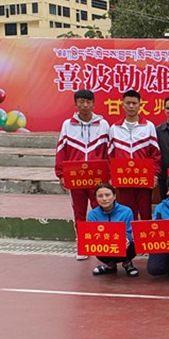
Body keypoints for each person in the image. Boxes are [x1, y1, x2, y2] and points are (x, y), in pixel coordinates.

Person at [54, 88, 110, 260]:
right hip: (76, 177)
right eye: (81, 102)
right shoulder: (67, 125)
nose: (85, 105)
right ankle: (83, 245)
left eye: (88, 102)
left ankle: (101, 242)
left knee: (100, 209)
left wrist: (108, 176)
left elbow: (108, 151)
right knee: (79, 213)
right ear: (76, 104)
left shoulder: (103, 125)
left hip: (97, 178)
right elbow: (61, 151)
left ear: (93, 104)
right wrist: (61, 174)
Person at [108, 89, 161, 221]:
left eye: (134, 103)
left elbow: (155, 154)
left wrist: (154, 174)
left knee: (145, 213)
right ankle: (129, 235)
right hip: (123, 179)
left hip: (143, 177)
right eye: (128, 103)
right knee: (127, 213)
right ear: (122, 105)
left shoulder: (148, 126)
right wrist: (111, 176)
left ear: (139, 105)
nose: (131, 106)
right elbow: (110, 156)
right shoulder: (114, 128)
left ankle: (145, 235)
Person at [87, 183, 138, 277]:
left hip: (124, 245)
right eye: (100, 196)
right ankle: (110, 266)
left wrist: (127, 238)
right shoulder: (92, 214)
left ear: (114, 196)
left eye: (107, 195)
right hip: (104, 245)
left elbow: (129, 230)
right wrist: (83, 240)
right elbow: (91, 234)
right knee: (95, 246)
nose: (104, 199)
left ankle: (127, 263)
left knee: (134, 243)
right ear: (96, 198)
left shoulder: (126, 211)